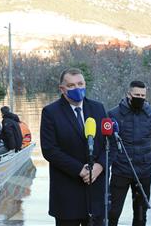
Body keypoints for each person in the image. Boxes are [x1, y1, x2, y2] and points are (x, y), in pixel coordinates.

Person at [40, 68, 107, 225]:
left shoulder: (98, 108)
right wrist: (79, 169)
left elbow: (109, 144)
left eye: (80, 84)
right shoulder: (50, 112)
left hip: (96, 194)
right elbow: (50, 150)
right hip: (67, 196)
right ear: (62, 89)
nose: (77, 89)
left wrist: (100, 166)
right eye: (71, 85)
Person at [108, 80, 151, 226]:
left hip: (143, 172)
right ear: (128, 94)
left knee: (141, 216)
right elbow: (109, 143)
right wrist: (118, 159)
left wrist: (145, 158)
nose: (140, 97)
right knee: (112, 213)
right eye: (137, 94)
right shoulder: (113, 114)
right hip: (120, 170)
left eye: (143, 95)